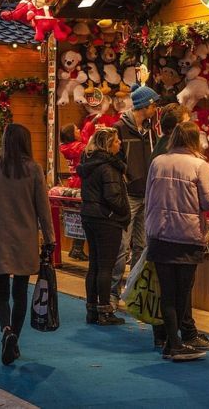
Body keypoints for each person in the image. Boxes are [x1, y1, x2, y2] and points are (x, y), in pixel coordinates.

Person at [0, 124, 55, 366]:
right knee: (20, 293)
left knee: (0, 293)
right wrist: (50, 239)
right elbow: (43, 209)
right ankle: (15, 339)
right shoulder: (34, 170)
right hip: (26, 240)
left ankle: (6, 330)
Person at [145, 122, 209, 362]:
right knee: (182, 293)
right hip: (186, 235)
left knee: (167, 292)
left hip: (159, 233)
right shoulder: (200, 165)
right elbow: (208, 203)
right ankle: (177, 344)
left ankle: (171, 343)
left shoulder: (158, 162)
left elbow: (148, 196)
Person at [111, 85, 159, 301]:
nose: (155, 108)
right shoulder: (120, 128)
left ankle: (133, 291)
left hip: (147, 193)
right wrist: (127, 177)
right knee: (122, 244)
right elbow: (115, 158)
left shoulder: (151, 130)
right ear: (145, 105)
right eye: (153, 104)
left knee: (141, 245)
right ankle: (112, 290)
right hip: (129, 194)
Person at [76, 128, 129, 325]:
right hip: (107, 219)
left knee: (94, 265)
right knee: (106, 266)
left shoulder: (88, 163)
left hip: (90, 216)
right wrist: (123, 213)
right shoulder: (109, 167)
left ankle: (92, 309)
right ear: (108, 145)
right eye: (116, 141)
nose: (120, 144)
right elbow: (113, 196)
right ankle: (105, 311)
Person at [59, 123, 88, 261]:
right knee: (82, 217)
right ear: (72, 133)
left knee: (76, 217)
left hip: (72, 182)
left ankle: (75, 248)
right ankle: (77, 248)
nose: (79, 130)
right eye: (77, 129)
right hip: (81, 183)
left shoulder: (66, 147)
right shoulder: (80, 147)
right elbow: (89, 147)